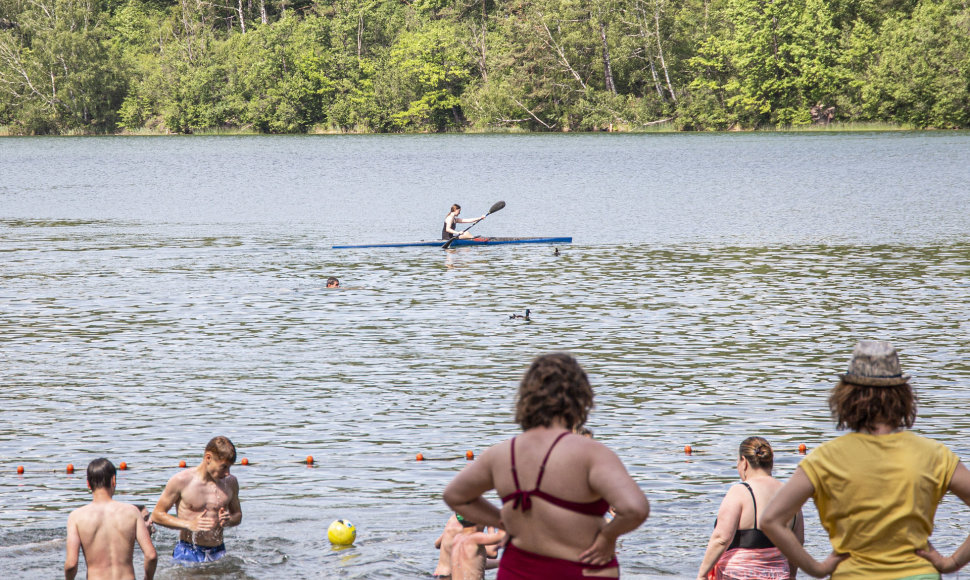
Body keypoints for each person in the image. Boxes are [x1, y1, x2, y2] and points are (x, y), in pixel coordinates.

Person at [761, 340, 970, 579]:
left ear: (847, 396)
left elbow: (772, 520)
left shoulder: (825, 459)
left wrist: (817, 568)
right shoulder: (935, 454)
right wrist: (952, 562)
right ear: (903, 396)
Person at [443, 352, 650, 579]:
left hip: (519, 569)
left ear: (527, 399)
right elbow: (635, 509)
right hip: (581, 568)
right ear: (581, 398)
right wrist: (607, 537)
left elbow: (456, 495)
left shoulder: (501, 454)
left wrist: (502, 520)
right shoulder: (592, 453)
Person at [696, 437, 803, 580]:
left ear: (744, 462)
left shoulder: (740, 491)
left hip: (737, 575)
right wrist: (792, 576)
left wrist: (702, 575)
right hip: (779, 575)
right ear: (771, 462)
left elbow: (721, 538)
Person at [152, 436, 242, 564]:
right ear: (208, 458)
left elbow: (237, 515)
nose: (228, 473)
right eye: (224, 467)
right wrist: (188, 524)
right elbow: (156, 515)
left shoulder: (231, 482)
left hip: (218, 551)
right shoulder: (181, 481)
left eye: (230, 467)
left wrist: (229, 520)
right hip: (188, 551)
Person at [65, 458, 157, 580]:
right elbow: (151, 556)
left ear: (88, 484)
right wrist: (148, 578)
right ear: (113, 480)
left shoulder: (76, 517)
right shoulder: (132, 512)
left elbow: (71, 564)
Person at [449, 514, 506, 580]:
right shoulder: (475, 537)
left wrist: (501, 563)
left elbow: (476, 564)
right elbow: (501, 536)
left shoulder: (457, 538)